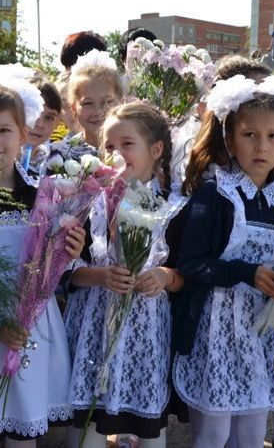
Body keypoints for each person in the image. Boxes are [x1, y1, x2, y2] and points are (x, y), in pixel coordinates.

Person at [173, 76, 274, 448]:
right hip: (214, 327)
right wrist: (245, 273)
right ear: (230, 139)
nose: (261, 146)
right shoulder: (214, 192)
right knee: (214, 434)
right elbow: (191, 263)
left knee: (253, 433)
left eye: (272, 136)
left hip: (260, 331)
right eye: (250, 135)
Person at [0, 83, 85, 448]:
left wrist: (69, 251)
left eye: (4, 130)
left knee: (23, 427)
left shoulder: (45, 196)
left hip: (30, 326)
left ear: (24, 134)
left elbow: (52, 267)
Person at [64, 102, 187, 448]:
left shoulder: (175, 205)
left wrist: (163, 275)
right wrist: (100, 276)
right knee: (91, 420)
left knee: (147, 426)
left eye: (127, 144)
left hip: (145, 332)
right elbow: (71, 272)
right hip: (95, 325)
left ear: (156, 150)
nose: (116, 153)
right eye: (109, 146)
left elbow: (185, 274)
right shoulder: (91, 200)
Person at [49, 50, 123, 165]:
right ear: (74, 108)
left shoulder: (132, 149)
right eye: (87, 103)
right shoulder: (61, 154)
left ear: (121, 103)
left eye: (107, 102)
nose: (98, 112)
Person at [25, 76, 62, 175]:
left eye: (49, 117)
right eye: (33, 115)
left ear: (57, 121)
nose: (40, 124)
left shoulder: (57, 161)